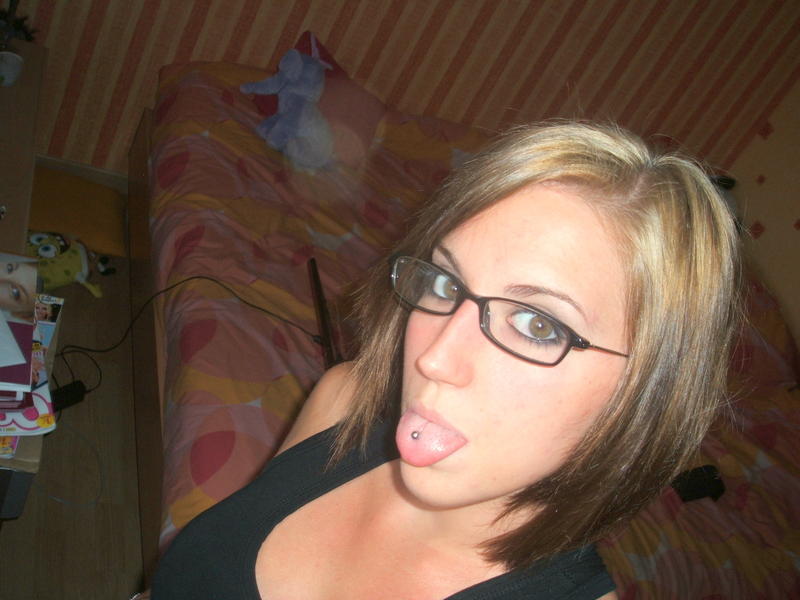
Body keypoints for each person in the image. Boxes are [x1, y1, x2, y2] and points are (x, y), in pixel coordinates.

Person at [148, 121, 741, 599]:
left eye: (536, 325)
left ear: (648, 392)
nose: (434, 359)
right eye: (445, 284)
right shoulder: (343, 399)